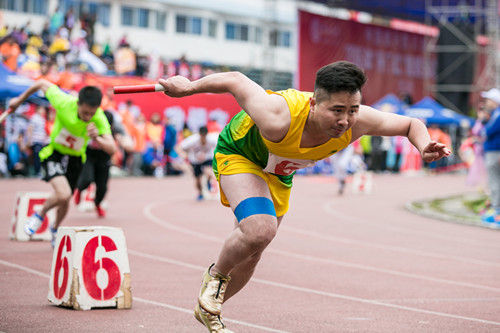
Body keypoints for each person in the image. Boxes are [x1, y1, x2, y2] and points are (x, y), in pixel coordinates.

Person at [157, 61, 451, 332]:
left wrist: (423, 145)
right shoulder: (277, 115)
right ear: (313, 103)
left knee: (254, 250)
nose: (345, 121)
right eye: (336, 110)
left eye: (352, 110)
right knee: (260, 229)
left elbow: (411, 124)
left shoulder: (358, 121)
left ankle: (209, 308)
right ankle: (216, 278)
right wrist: (189, 87)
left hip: (279, 172)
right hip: (241, 155)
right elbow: (235, 79)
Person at [7, 79, 116, 246]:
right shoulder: (64, 102)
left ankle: (55, 229)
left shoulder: (99, 118)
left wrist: (97, 138)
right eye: (85, 113)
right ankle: (40, 214)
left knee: (65, 200)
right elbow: (41, 83)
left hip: (76, 159)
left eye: (91, 114)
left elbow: (112, 148)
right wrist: (19, 100)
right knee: (63, 193)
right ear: (78, 103)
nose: (88, 117)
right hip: (54, 154)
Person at [74, 110, 126, 218]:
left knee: (102, 187)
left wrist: (125, 142)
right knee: (87, 179)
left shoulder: (115, 129)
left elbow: (126, 141)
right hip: (90, 155)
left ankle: (97, 204)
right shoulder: (91, 126)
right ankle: (79, 189)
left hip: (104, 158)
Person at [178, 126, 218, 200]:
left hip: (207, 158)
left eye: (204, 136)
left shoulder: (212, 139)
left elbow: (219, 146)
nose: (203, 138)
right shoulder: (192, 140)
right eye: (201, 136)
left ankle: (209, 184)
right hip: (195, 161)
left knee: (208, 171)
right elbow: (179, 147)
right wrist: (183, 154)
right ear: (199, 135)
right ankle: (200, 193)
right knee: (198, 180)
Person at [479, 88, 500, 225]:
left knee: (495, 181)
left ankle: (496, 210)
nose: (487, 102)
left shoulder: (498, 115)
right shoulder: (493, 114)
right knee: (494, 180)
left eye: (488, 99)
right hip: (492, 150)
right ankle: (495, 208)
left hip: (495, 151)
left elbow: (488, 132)